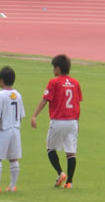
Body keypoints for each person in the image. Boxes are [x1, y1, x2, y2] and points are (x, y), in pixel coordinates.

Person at [31, 54, 83, 189]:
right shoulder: (75, 83)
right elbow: (77, 103)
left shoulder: (54, 82)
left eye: (54, 67)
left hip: (58, 121)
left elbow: (45, 99)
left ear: (58, 68)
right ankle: (69, 182)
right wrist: (77, 122)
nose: (53, 70)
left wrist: (34, 115)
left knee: (50, 148)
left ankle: (60, 173)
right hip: (72, 121)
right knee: (71, 152)